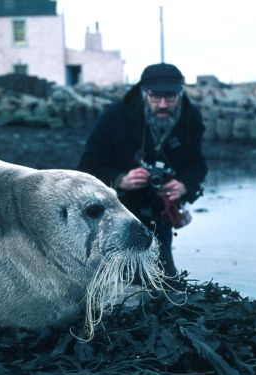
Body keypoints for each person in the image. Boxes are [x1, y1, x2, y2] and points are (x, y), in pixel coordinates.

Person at [76, 63, 208, 278]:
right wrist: (121, 180)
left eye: (170, 97)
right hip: (117, 214)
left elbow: (198, 164)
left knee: (165, 281)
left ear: (180, 93)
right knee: (116, 280)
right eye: (156, 97)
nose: (163, 104)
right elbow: (87, 168)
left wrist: (184, 185)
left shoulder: (191, 118)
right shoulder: (114, 116)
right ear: (144, 92)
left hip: (162, 213)